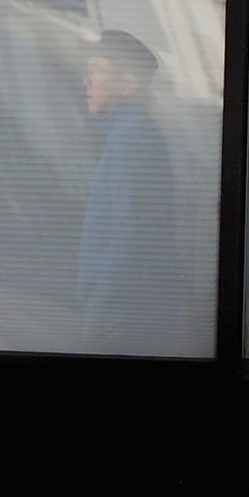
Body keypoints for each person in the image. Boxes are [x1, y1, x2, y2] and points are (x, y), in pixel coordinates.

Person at [76, 28, 177, 353]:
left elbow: (133, 233)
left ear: (128, 84)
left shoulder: (131, 139)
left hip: (123, 313)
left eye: (97, 70)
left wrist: (102, 306)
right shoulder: (129, 135)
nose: (86, 81)